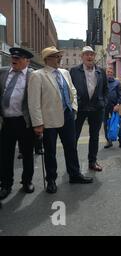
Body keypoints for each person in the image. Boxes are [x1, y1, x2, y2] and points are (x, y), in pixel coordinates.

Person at [28, 46, 93, 194]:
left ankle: (74, 174)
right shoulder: (37, 75)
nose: (59, 59)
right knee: (50, 150)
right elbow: (34, 102)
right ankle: (51, 179)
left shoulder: (65, 73)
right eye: (55, 56)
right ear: (47, 59)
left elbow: (73, 91)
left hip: (68, 116)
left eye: (59, 56)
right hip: (49, 120)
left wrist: (74, 107)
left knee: (71, 147)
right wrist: (37, 123)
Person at [0, 48, 35, 200]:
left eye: (18, 58)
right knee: (5, 155)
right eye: (13, 57)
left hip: (24, 121)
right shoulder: (2, 72)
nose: (14, 60)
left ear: (26, 61)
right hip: (5, 121)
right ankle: (6, 184)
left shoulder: (33, 76)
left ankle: (27, 182)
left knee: (27, 153)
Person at [70, 46, 108, 172]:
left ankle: (92, 161)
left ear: (94, 56)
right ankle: (73, 164)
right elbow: (70, 90)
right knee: (74, 136)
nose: (89, 56)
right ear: (82, 57)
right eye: (87, 54)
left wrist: (103, 102)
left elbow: (105, 89)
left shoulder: (101, 71)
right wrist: (74, 104)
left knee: (94, 136)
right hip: (80, 108)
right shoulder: (74, 71)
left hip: (97, 109)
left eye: (91, 54)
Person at [104, 67, 121, 149]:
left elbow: (120, 96)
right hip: (104, 107)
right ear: (106, 72)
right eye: (108, 72)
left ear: (113, 73)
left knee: (117, 124)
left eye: (111, 72)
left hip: (114, 107)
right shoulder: (103, 82)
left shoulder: (117, 83)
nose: (109, 73)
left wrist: (117, 104)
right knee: (106, 124)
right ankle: (108, 141)